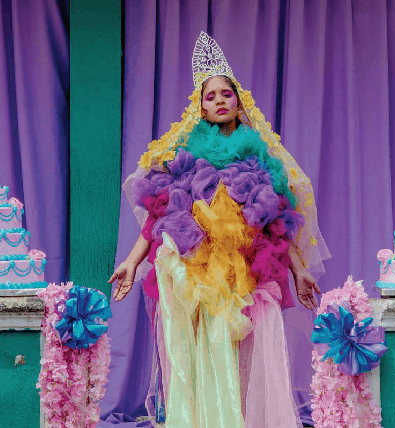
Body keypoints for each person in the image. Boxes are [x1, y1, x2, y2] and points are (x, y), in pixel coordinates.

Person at [109, 32, 330, 428]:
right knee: (203, 351)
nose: (219, 101)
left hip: (246, 269)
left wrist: (299, 270)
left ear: (238, 101)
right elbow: (160, 219)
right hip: (198, 273)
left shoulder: (259, 157)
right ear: (201, 108)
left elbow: (278, 225)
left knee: (248, 350)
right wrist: (130, 263)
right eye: (210, 97)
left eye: (226, 94)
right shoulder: (185, 156)